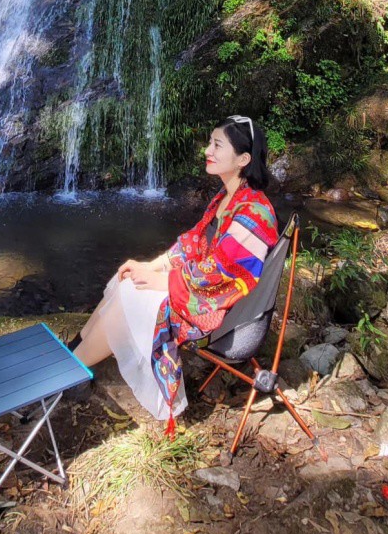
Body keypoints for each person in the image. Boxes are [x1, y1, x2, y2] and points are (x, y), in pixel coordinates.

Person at [69, 116, 278, 434]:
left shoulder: (253, 212)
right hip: (207, 295)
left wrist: (163, 281)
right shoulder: (227, 199)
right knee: (128, 278)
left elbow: (221, 275)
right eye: (210, 142)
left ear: (243, 159)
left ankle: (72, 372)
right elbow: (192, 244)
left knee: (131, 294)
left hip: (228, 315)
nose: (207, 150)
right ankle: (77, 348)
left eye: (216, 145)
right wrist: (150, 266)